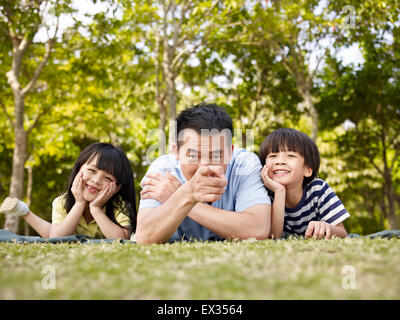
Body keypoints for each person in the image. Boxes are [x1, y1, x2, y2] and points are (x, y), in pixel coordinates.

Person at [136, 103, 271, 244]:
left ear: (230, 152)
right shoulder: (163, 171)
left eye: (217, 156)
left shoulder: (244, 164)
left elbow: (257, 230)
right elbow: (144, 237)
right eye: (193, 155)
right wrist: (187, 194)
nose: (204, 167)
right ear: (176, 152)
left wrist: (180, 196)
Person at [0, 143, 137, 239]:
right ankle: (25, 212)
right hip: (61, 230)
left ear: (117, 187)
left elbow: (121, 239)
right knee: (54, 233)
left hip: (62, 229)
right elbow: (58, 239)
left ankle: (24, 211)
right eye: (91, 170)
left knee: (51, 233)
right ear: (78, 169)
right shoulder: (62, 201)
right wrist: (79, 204)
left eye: (107, 177)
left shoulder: (119, 205)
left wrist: (95, 208)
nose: (96, 180)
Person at [259, 128, 350, 239]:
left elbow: (342, 233)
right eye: (273, 156)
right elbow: (273, 238)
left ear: (307, 170)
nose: (279, 161)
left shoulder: (318, 189)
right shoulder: (263, 193)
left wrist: (327, 228)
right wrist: (279, 191)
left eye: (290, 156)